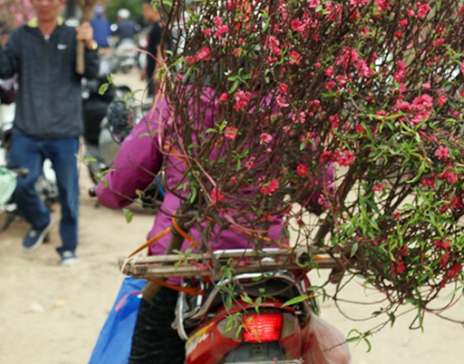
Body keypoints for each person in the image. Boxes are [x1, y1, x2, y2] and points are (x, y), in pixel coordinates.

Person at [94, 89, 332, 363]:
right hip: (267, 265)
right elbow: (323, 194)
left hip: (185, 266)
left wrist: (104, 191)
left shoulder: (179, 100)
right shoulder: (287, 105)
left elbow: (121, 183)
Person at [0, 0, 100, 265]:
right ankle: (40, 219)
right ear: (32, 1)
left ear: (60, 2)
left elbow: (91, 73)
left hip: (65, 130)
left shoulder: (72, 35)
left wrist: (90, 44)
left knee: (69, 192)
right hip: (27, 129)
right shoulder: (21, 36)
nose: (45, 2)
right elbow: (3, 70)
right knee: (18, 185)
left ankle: (68, 247)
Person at [140, 0, 163, 97]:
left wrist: (157, 72)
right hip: (151, 71)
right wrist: (145, 69)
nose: (144, 13)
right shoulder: (153, 26)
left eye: (145, 10)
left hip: (156, 74)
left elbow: (161, 50)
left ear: (153, 9)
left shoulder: (160, 26)